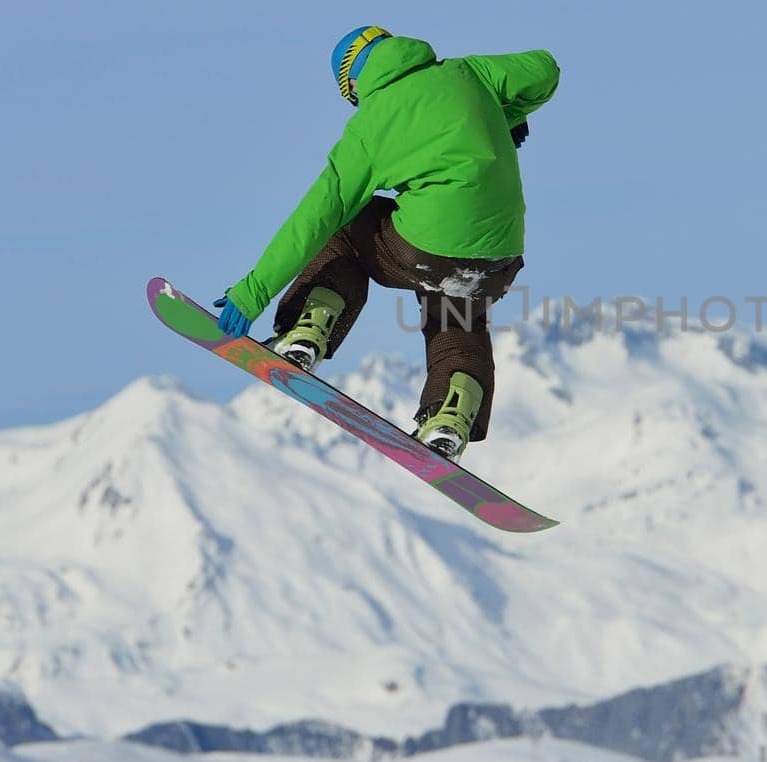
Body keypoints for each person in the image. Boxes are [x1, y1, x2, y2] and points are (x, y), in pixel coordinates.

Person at [212, 26, 560, 459]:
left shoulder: (370, 126)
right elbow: (544, 69)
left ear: (354, 80)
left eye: (350, 94)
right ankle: (451, 416)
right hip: (499, 257)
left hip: (430, 250)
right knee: (457, 309)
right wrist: (505, 114)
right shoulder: (470, 74)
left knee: (347, 223)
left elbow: (315, 215)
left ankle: (307, 332)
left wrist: (253, 292)